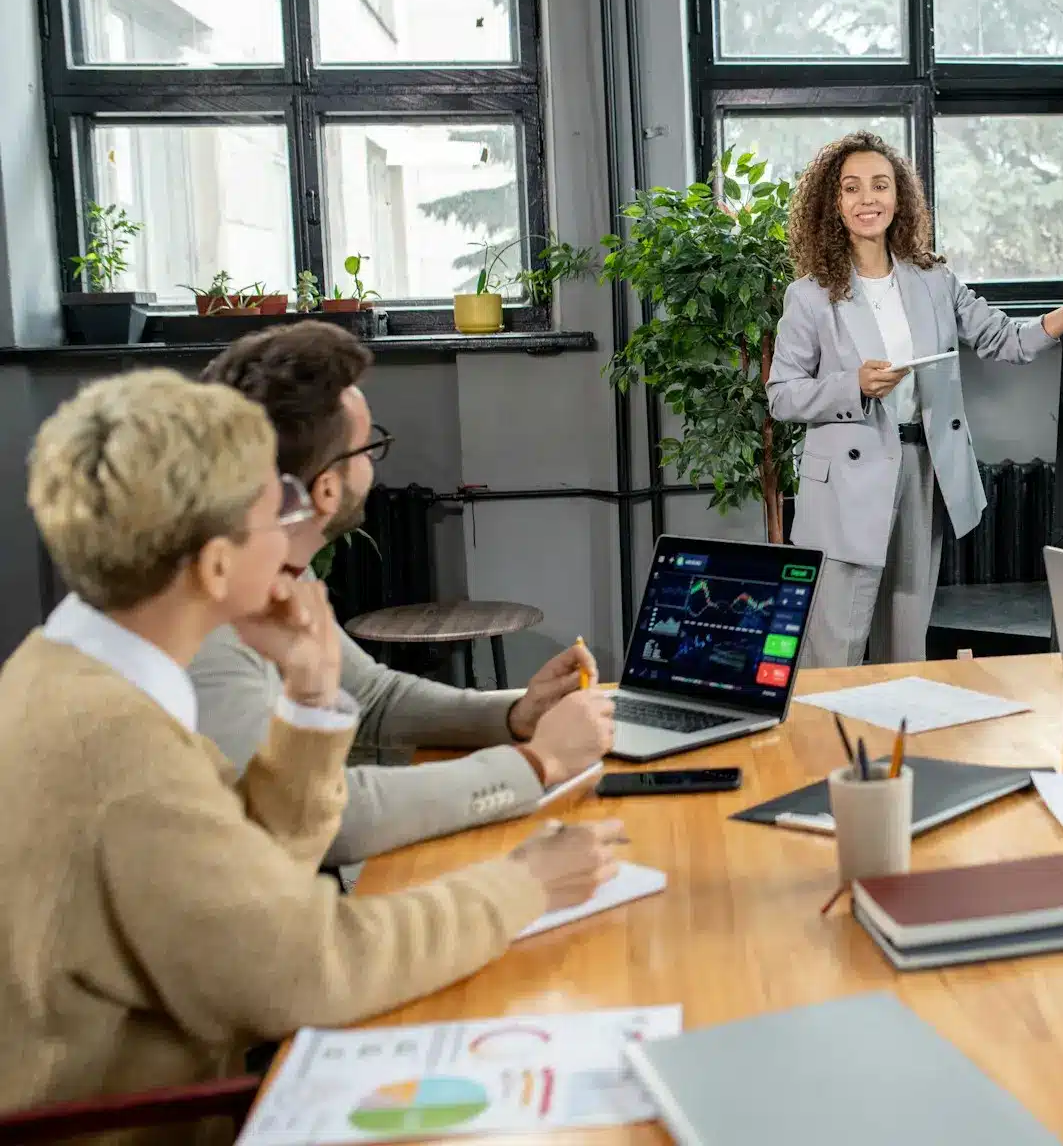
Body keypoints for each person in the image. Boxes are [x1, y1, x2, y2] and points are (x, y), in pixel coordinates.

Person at [0, 370, 623, 1125]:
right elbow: (312, 967)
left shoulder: (59, 670)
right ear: (216, 565)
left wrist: (308, 701)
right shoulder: (125, 755)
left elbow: (260, 863)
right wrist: (524, 883)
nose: (302, 525)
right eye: (276, 509)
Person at [193, 321, 614, 865]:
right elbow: (328, 821)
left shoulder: (278, 564)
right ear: (326, 488)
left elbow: (367, 697)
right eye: (371, 448)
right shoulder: (202, 627)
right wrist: (538, 764)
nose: (374, 464)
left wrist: (515, 716)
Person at [768, 129, 1063, 667]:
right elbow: (782, 396)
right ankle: (819, 750)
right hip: (846, 482)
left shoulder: (933, 280)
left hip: (921, 469)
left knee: (904, 647)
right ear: (832, 204)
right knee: (832, 650)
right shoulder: (809, 295)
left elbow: (1008, 340)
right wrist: (852, 387)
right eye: (852, 188)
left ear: (899, 198)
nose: (868, 200)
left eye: (880, 186)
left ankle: (892, 751)